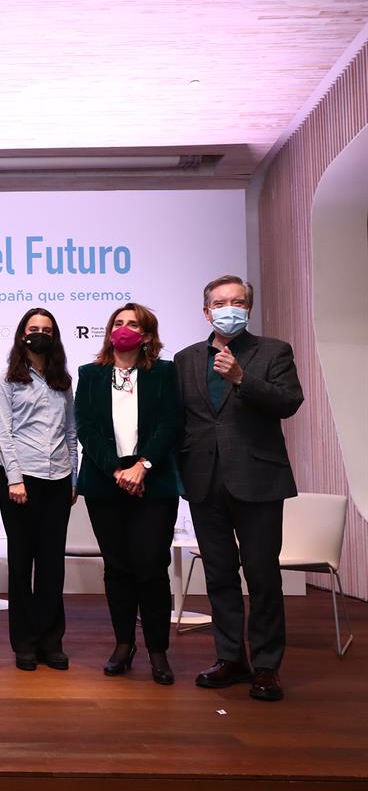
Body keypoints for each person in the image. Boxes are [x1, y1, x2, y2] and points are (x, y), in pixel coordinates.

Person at [175, 275, 303, 702]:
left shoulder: (273, 351)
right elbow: (182, 422)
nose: (229, 308)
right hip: (204, 482)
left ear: (248, 307)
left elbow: (289, 402)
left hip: (258, 479)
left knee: (263, 576)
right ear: (206, 311)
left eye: (237, 301)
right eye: (219, 302)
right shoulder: (186, 358)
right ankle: (230, 657)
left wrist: (243, 378)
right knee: (220, 575)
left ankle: (266, 666)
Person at [75, 303, 182, 685]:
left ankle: (157, 650)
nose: (123, 329)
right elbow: (85, 428)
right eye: (117, 323)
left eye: (132, 324)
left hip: (154, 482)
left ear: (147, 335)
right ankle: (124, 644)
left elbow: (171, 422)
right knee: (117, 566)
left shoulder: (166, 372)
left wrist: (143, 466)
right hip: (106, 481)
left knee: (151, 566)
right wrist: (117, 469)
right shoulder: (90, 374)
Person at [0, 307, 77, 672]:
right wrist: (14, 478)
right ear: (21, 335)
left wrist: (73, 479)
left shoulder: (63, 380)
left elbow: (71, 433)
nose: (40, 333)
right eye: (33, 328)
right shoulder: (6, 379)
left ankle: (50, 641)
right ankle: (24, 644)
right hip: (20, 483)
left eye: (46, 329)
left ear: (54, 336)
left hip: (58, 481)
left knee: (51, 566)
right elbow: (4, 432)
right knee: (21, 564)